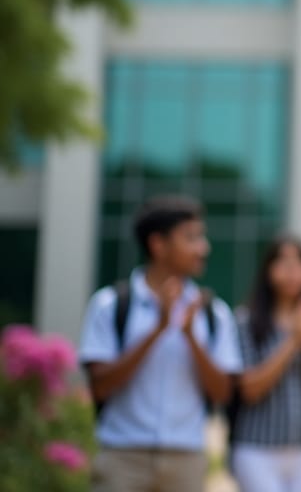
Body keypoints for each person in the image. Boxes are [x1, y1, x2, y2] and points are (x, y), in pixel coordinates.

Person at [79, 195, 242, 492]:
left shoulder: (212, 313)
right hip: (122, 458)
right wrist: (158, 330)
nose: (203, 248)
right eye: (191, 238)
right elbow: (100, 385)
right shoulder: (110, 305)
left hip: (186, 459)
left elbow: (222, 392)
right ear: (158, 244)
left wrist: (191, 338)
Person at [230, 235, 301, 492]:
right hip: (257, 449)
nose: (291, 270)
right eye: (282, 262)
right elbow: (250, 389)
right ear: (267, 269)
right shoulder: (246, 322)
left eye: (299, 262)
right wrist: (293, 341)